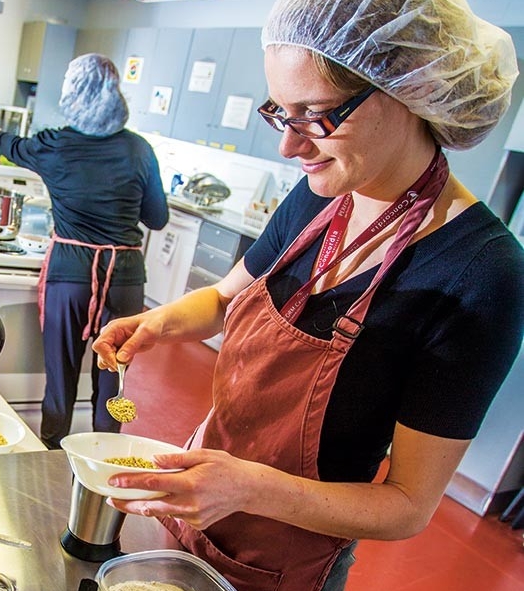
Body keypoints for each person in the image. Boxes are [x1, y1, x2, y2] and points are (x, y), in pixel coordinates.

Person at [90, 1, 523, 590]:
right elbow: (223, 298)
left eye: (315, 115)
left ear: (409, 89)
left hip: (285, 560)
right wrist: (159, 323)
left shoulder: (481, 273)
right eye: (281, 114)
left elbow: (407, 505)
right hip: (196, 505)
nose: (289, 148)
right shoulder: (318, 194)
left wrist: (246, 488)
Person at [0, 53, 169, 450]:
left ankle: (51, 454)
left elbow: (11, 146)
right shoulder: (140, 150)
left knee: (60, 377)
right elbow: (157, 218)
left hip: (71, 276)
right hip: (124, 277)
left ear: (72, 94)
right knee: (114, 378)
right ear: (115, 92)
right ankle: (106, 456)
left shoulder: (54, 145)